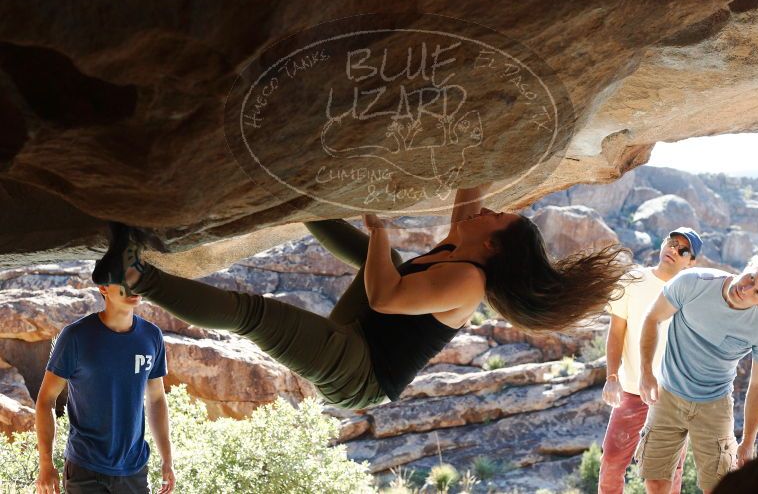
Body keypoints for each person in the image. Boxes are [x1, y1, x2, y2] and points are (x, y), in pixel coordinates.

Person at [90, 185, 631, 410]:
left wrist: (377, 233)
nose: (489, 211)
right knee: (390, 262)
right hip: (363, 333)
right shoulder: (462, 241)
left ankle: (135, 277)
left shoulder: (469, 280)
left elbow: (388, 297)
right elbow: (473, 188)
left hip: (360, 376)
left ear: (491, 245)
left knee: (254, 313)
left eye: (498, 218)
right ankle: (300, 201)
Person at [637, 253, 758, 494]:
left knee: (720, 486)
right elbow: (653, 318)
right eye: (751, 278)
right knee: (656, 480)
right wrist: (646, 371)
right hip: (667, 395)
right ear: (748, 265)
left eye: (757, 293)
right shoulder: (693, 282)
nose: (746, 289)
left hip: (715, 405)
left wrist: (748, 440)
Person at [34, 282, 175, 494]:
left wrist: (167, 460)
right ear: (103, 288)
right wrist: (46, 464)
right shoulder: (75, 336)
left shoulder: (151, 336)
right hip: (85, 470)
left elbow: (156, 399)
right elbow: (46, 400)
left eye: (138, 279)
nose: (133, 287)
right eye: (123, 281)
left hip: (133, 470)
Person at [599, 227, 703, 494]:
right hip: (632, 393)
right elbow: (616, 333)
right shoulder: (632, 279)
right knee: (611, 464)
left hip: (673, 400)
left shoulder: (692, 296)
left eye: (683, 250)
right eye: (672, 242)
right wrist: (612, 378)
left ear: (691, 262)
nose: (673, 250)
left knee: (669, 473)